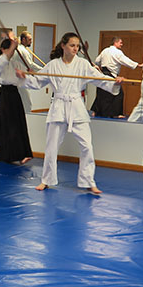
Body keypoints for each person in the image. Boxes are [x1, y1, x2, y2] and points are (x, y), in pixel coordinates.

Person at [17, 32, 123, 194]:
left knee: (87, 146)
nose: (75, 49)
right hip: (58, 106)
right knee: (51, 147)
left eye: (77, 46)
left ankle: (88, 181)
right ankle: (46, 180)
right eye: (72, 45)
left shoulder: (83, 64)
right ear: (63, 46)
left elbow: (100, 79)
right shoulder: (53, 65)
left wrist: (114, 82)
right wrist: (24, 78)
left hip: (76, 106)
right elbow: (38, 81)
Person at [0, 36, 33, 164]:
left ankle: (21, 154)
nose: (13, 52)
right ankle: (3, 154)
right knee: (4, 125)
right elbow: (5, 59)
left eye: (14, 50)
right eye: (11, 50)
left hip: (14, 94)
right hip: (2, 95)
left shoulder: (15, 63)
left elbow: (24, 77)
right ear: (3, 49)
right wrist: (14, 45)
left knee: (18, 123)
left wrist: (28, 74)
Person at [90, 37, 142, 118]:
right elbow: (126, 60)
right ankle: (115, 114)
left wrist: (100, 65)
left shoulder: (105, 50)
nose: (122, 44)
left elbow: (97, 61)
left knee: (102, 93)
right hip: (111, 75)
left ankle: (97, 112)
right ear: (115, 42)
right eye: (120, 42)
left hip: (103, 75)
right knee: (118, 94)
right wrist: (137, 65)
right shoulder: (117, 52)